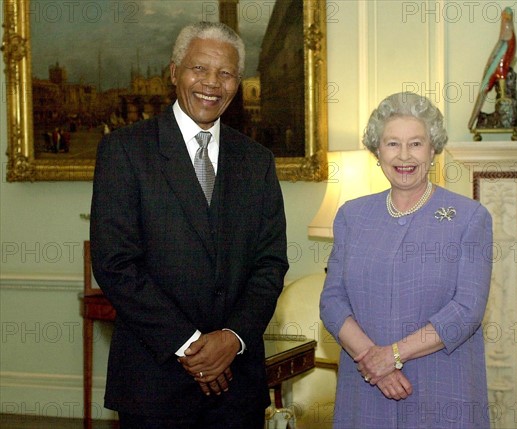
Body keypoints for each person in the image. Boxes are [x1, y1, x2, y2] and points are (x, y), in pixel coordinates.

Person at [90, 21, 288, 429]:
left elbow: (270, 265)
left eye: (226, 73)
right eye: (199, 68)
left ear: (238, 81)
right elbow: (115, 264)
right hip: (155, 382)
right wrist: (192, 346)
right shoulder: (125, 151)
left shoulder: (256, 161)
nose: (211, 83)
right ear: (174, 71)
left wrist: (231, 338)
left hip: (237, 385)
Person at [320, 92, 493, 429]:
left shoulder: (469, 217)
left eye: (415, 143)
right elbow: (332, 302)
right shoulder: (352, 216)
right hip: (366, 389)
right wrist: (375, 361)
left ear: (433, 150)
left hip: (443, 388)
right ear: (377, 150)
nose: (404, 156)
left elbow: (468, 309)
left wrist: (392, 356)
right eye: (392, 143)